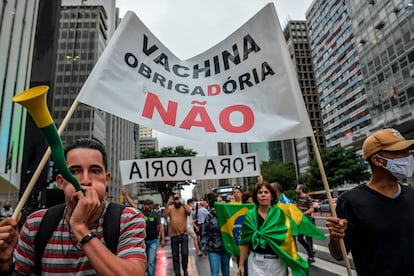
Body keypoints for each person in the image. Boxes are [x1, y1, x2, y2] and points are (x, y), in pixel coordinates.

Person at [0, 138, 146, 275]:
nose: (85, 181)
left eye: (95, 171)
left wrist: (80, 228)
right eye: (75, 171)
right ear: (61, 182)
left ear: (107, 179)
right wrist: (5, 264)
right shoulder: (36, 224)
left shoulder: (128, 219)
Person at [326, 128, 414, 275]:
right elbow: (339, 254)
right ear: (378, 160)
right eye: (399, 152)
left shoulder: (411, 195)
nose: (408, 157)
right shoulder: (350, 201)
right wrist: (335, 236)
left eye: (407, 151)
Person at [238, 181, 291, 276]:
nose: (263, 195)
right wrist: (241, 264)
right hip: (256, 263)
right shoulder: (250, 216)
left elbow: (289, 238)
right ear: (256, 196)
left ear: (272, 196)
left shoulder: (281, 215)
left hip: (278, 263)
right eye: (260, 192)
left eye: (266, 192)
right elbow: (245, 242)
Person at [121, 188, 165, 276]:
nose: (150, 206)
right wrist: (125, 195)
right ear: (144, 206)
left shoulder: (155, 215)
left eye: (151, 204)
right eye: (148, 204)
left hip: (153, 241)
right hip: (142, 241)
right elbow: (132, 204)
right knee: (142, 261)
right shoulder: (140, 212)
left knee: (151, 261)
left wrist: (163, 239)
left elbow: (160, 226)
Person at [200, 193, 231, 276]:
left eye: (222, 201)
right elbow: (204, 233)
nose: (222, 202)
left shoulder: (227, 215)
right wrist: (203, 248)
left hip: (225, 248)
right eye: (220, 201)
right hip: (213, 248)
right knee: (214, 272)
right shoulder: (209, 216)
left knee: (226, 272)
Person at [163, 193, 192, 276]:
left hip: (184, 234)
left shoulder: (183, 207)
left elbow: (189, 211)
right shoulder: (171, 208)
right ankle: (177, 272)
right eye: (175, 199)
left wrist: (182, 202)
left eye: (178, 198)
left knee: (185, 253)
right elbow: (164, 215)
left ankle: (185, 269)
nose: (176, 200)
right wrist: (168, 203)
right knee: (175, 255)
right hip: (174, 235)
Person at [295, 184, 315, 263]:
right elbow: (297, 207)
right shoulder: (298, 198)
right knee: (300, 238)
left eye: (297, 189)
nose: (295, 190)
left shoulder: (308, 198)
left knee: (308, 238)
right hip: (300, 221)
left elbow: (311, 209)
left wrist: (302, 214)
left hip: (308, 221)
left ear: (301, 189)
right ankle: (310, 251)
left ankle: (311, 257)